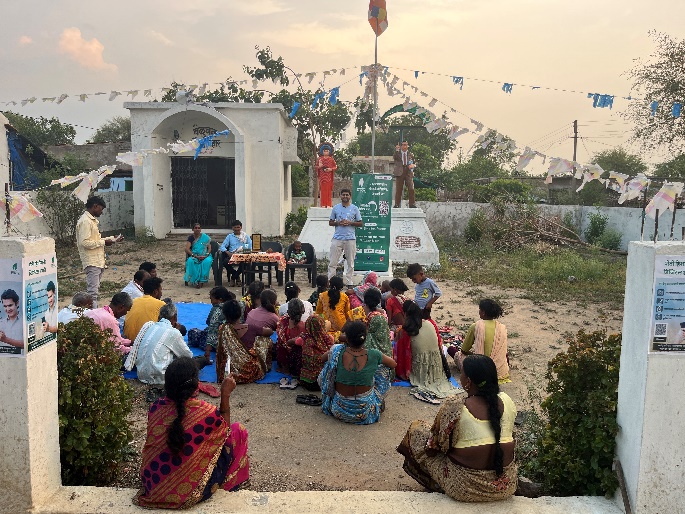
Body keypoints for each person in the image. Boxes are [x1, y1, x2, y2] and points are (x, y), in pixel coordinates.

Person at [397, 354, 517, 502]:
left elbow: (435, 446)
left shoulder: (456, 407)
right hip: (506, 487)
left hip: (466, 489)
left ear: (468, 382)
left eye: (462, 374)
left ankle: (435, 484)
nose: (460, 377)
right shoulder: (507, 400)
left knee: (417, 431)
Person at [134, 357, 249, 509]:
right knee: (238, 430)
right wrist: (225, 395)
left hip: (153, 486)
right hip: (187, 494)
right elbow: (225, 433)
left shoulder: (155, 408)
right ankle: (230, 483)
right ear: (196, 385)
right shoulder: (206, 412)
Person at [319, 320, 396, 425]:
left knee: (330, 363)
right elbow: (393, 364)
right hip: (365, 413)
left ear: (347, 338)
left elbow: (322, 358)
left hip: (338, 410)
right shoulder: (374, 354)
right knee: (383, 368)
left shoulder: (337, 350)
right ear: (365, 337)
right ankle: (374, 399)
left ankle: (330, 398)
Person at [124, 303, 199, 385]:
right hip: (160, 378)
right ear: (175, 317)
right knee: (195, 362)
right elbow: (188, 356)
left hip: (141, 375)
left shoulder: (149, 326)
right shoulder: (174, 332)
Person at [401, 300, 460, 401]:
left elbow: (405, 354)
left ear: (406, 314)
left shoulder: (407, 330)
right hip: (436, 367)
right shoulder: (430, 323)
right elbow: (439, 344)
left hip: (421, 369)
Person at [76, 196, 123, 307]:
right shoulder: (85, 222)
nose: (101, 212)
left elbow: (95, 240)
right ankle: (92, 317)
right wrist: (104, 242)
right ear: (95, 206)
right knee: (92, 294)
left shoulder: (91, 221)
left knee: (94, 292)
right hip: (91, 261)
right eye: (101, 209)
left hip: (97, 261)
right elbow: (85, 243)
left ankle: (93, 315)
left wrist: (111, 238)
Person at [451, 299, 511, 384]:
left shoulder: (476, 326)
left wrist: (475, 354)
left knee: (456, 353)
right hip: (500, 371)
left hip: (482, 371)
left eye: (480, 309)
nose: (479, 312)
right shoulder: (502, 327)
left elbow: (464, 350)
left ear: (483, 312)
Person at [216, 299, 270, 384]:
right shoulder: (250, 328)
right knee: (265, 340)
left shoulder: (222, 329)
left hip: (230, 372)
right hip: (250, 370)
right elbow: (269, 332)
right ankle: (267, 365)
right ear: (240, 314)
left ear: (225, 315)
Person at [328, 189, 363, 285]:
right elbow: (330, 222)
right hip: (337, 238)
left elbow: (360, 223)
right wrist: (338, 222)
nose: (345, 196)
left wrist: (350, 223)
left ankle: (349, 282)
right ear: (340, 196)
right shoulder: (335, 208)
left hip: (350, 239)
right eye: (343, 195)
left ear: (350, 196)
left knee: (350, 262)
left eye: (347, 195)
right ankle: (331, 282)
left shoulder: (355, 208)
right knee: (333, 262)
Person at [124, 277, 166, 341]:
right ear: (155, 292)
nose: (161, 294)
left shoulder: (134, 301)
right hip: (146, 343)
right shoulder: (161, 305)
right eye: (161, 290)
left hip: (128, 340)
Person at [276, 299, 307, 378]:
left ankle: (284, 368)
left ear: (288, 311)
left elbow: (281, 342)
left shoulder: (282, 323)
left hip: (283, 360)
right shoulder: (305, 327)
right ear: (303, 311)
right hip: (297, 362)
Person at [203, 286, 235, 362]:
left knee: (194, 333)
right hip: (236, 340)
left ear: (220, 300)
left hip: (221, 343)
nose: (211, 302)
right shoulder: (238, 305)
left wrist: (207, 351)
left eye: (212, 299)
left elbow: (212, 328)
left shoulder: (217, 310)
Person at [219, 220, 252, 287]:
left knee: (246, 263)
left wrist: (243, 251)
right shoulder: (229, 236)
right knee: (225, 262)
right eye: (235, 227)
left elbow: (250, 246)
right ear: (232, 228)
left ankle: (233, 277)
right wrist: (227, 252)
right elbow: (222, 246)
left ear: (241, 227)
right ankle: (237, 277)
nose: (237, 229)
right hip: (232, 255)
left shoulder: (245, 236)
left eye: (238, 227)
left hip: (243, 255)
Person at [184, 223, 214, 289]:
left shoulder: (205, 237)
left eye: (198, 228)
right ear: (193, 229)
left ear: (200, 229)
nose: (197, 229)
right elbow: (187, 249)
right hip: (195, 255)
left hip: (205, 256)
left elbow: (209, 248)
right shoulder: (191, 238)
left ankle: (202, 281)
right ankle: (195, 280)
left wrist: (206, 255)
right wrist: (194, 255)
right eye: (195, 228)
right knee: (190, 261)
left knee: (207, 261)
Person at [393, 141, 417, 208]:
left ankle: (412, 204)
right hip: (400, 171)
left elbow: (415, 163)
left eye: (406, 145)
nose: (405, 146)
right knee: (399, 189)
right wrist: (397, 150)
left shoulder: (411, 154)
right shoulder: (398, 154)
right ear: (401, 146)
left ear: (408, 146)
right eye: (403, 145)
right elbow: (394, 158)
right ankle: (397, 204)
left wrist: (413, 165)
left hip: (408, 171)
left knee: (411, 188)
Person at [315, 142, 338, 208]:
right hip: (322, 178)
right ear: (322, 151)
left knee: (328, 192)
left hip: (328, 179)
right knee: (322, 192)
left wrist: (330, 169)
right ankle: (322, 204)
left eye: (327, 151)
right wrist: (319, 166)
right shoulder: (319, 159)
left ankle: (328, 204)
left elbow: (335, 167)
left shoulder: (331, 159)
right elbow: (316, 167)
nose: (326, 152)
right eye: (324, 151)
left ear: (329, 151)